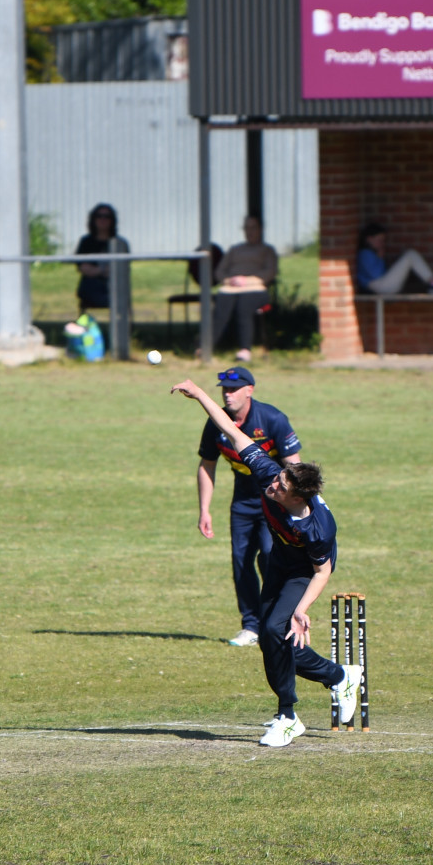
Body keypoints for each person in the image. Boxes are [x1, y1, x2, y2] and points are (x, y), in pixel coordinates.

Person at [172, 378, 361, 746]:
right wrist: (199, 395)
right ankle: (338, 677)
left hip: (304, 570)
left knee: (277, 629)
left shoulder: (318, 528)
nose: (273, 485)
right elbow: (231, 430)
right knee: (270, 639)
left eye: (281, 487)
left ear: (297, 497)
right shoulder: (269, 473)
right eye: (277, 478)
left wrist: (303, 609)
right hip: (280, 558)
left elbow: (323, 571)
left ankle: (288, 715)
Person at [195, 366, 302, 647]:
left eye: (233, 389)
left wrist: (298, 503)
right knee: (241, 561)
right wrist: (204, 509)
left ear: (250, 390)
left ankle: (277, 620)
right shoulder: (216, 423)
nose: (227, 395)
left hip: (274, 499)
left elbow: (295, 465)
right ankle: (251, 626)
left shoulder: (272, 419)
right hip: (242, 499)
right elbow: (207, 465)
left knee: (269, 554)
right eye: (224, 389)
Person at [210, 215, 279, 361]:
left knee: (243, 308)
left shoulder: (267, 250)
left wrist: (246, 281)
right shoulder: (235, 250)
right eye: (247, 228)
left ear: (260, 229)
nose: (250, 231)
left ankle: (245, 349)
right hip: (230, 288)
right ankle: (205, 347)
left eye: (253, 228)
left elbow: (270, 272)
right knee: (220, 311)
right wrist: (229, 280)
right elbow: (219, 272)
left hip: (255, 289)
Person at [354, 221, 433, 296]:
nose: (382, 243)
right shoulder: (365, 253)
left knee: (410, 256)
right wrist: (380, 258)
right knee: (410, 255)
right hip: (378, 287)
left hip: (381, 286)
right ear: (369, 239)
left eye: (383, 240)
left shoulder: (371, 253)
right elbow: (377, 275)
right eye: (379, 240)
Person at [73, 202, 129, 316]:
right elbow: (83, 267)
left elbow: (121, 269)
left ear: (112, 220)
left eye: (107, 216)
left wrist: (97, 270)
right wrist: (103, 270)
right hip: (91, 287)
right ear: (93, 219)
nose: (103, 219)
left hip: (114, 286)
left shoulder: (120, 243)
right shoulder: (86, 242)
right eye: (99, 216)